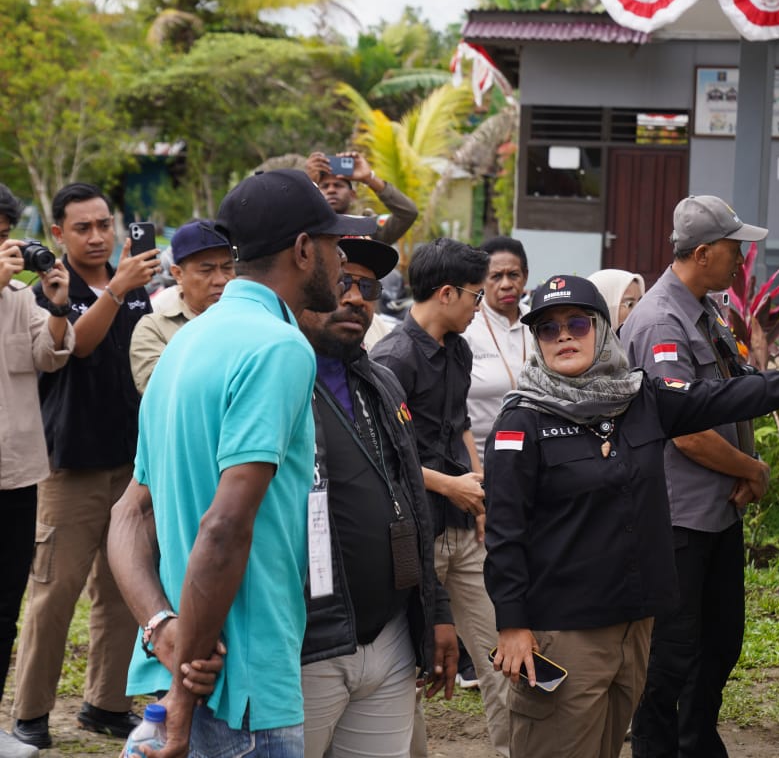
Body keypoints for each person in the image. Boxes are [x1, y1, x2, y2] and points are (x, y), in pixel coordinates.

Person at [484, 275, 779, 758]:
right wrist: (512, 625)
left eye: (576, 323)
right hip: (566, 635)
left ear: (601, 330)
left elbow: (725, 396)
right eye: (547, 329)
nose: (563, 336)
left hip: (633, 628)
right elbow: (504, 532)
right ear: (535, 341)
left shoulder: (639, 400)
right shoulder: (522, 422)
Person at [107, 168, 347, 758]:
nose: (342, 262)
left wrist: (160, 625)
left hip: (179, 676)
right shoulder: (280, 347)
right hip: (241, 699)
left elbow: (129, 515)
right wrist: (186, 704)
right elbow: (224, 525)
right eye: (335, 245)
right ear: (302, 250)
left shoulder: (185, 343)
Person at [620, 195, 775, 757]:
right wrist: (751, 468)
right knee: (671, 654)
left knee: (720, 641)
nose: (742, 259)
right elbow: (686, 432)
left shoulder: (703, 308)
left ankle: (696, 741)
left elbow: (733, 387)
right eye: (735, 249)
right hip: (677, 519)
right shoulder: (662, 319)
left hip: (715, 512)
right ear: (703, 252)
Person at [297, 233, 459, 757]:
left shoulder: (382, 382)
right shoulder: (277, 378)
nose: (355, 298)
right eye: (342, 281)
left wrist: (435, 610)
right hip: (308, 644)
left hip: (389, 637)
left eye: (368, 286)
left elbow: (411, 500)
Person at [12, 183, 159, 749]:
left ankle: (105, 703)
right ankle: (30, 714)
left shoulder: (141, 288)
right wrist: (117, 291)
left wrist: (129, 288)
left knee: (124, 592)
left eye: (105, 225)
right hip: (69, 468)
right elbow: (78, 347)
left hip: (132, 463)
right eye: (83, 228)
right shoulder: (48, 289)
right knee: (55, 593)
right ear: (58, 234)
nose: (98, 237)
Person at [371, 239, 511, 757]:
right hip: (414, 534)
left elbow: (460, 429)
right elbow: (383, 456)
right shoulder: (392, 358)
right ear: (447, 292)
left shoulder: (460, 348)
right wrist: (448, 485)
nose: (481, 306)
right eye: (477, 295)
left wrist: (476, 487)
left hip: (462, 526)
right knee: (406, 666)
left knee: (504, 651)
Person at [0, 184, 75, 758]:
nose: (4, 245)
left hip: (18, 470)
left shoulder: (18, 297)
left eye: (5, 234)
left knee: (6, 604)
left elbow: (50, 357)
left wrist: (53, 304)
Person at [305, 150, 417, 350]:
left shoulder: (367, 228)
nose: (331, 190)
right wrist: (307, 184)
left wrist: (369, 178)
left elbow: (407, 213)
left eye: (338, 185)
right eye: (324, 186)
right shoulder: (305, 229)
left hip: (362, 327)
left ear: (353, 193)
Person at [129, 219, 234, 393]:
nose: (221, 280)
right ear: (178, 274)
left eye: (228, 267)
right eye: (206, 270)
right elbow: (160, 392)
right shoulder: (154, 328)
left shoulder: (254, 317)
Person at [464, 236, 531, 462]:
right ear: (482, 280)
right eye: (495, 276)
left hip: (533, 457)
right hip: (478, 462)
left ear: (526, 276)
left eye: (513, 275)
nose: (506, 284)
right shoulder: (466, 325)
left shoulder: (541, 323)